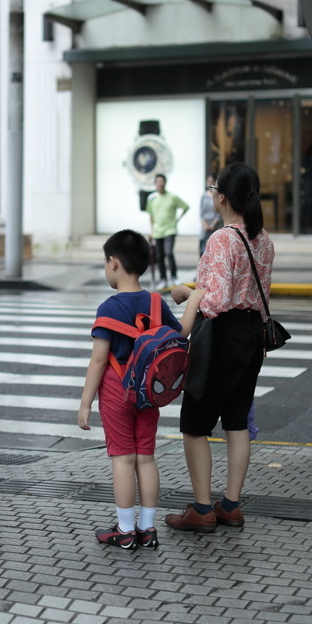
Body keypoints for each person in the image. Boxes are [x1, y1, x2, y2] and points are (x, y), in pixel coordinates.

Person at [78, 229, 205, 551]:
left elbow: (97, 361)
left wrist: (84, 404)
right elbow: (182, 332)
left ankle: (124, 529)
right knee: (146, 459)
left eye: (106, 263)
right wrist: (195, 298)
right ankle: (147, 529)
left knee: (123, 460)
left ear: (114, 263)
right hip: (148, 394)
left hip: (116, 392)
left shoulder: (109, 307)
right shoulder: (154, 301)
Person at [164, 162, 273, 534]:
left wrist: (186, 295)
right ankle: (230, 505)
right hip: (251, 336)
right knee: (237, 421)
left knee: (195, 425)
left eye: (213, 188)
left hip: (221, 337)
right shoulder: (263, 239)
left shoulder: (221, 239)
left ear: (221, 197)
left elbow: (216, 300)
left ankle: (200, 509)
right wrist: (199, 290)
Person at [145, 173, 189, 289]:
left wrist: (177, 220)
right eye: (158, 181)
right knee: (159, 256)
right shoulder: (152, 198)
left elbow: (185, 207)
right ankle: (163, 279)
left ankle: (174, 277)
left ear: (165, 183)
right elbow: (151, 216)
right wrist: (151, 230)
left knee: (168, 252)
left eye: (162, 181)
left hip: (170, 230)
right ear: (155, 183)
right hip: (157, 231)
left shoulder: (172, 197)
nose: (160, 183)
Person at [199, 174, 221, 256]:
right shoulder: (204, 196)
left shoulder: (217, 196)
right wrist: (204, 224)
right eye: (208, 181)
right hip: (205, 224)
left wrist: (213, 224)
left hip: (215, 224)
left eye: (212, 181)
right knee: (203, 246)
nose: (210, 183)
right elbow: (201, 213)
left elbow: (219, 212)